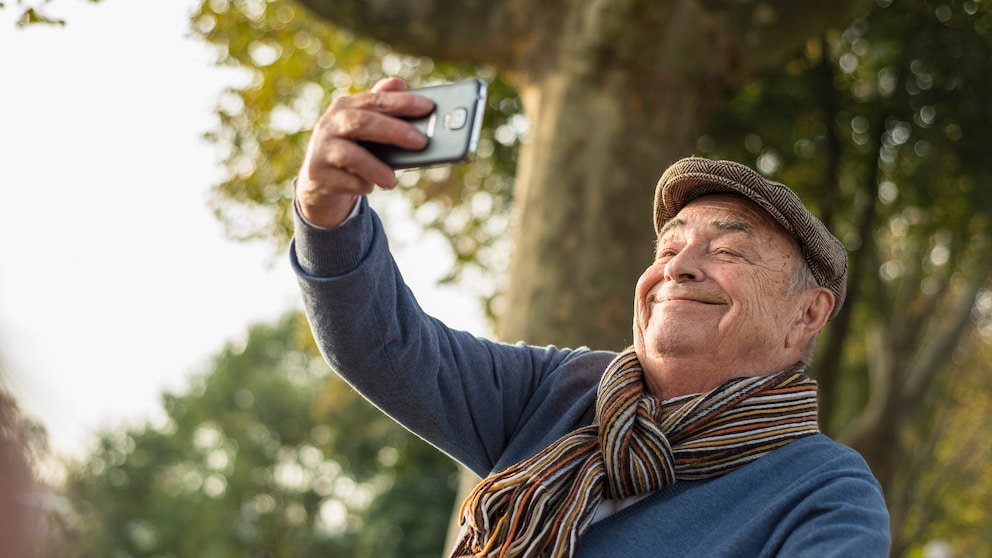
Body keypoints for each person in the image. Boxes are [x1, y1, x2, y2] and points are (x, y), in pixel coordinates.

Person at [290, 77, 891, 557]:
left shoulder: (825, 491)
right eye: (668, 248)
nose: (680, 268)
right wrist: (327, 213)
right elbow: (383, 347)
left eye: (728, 250)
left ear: (807, 314)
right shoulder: (559, 390)